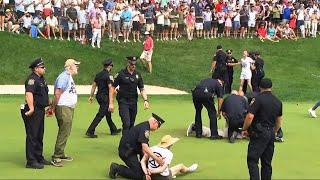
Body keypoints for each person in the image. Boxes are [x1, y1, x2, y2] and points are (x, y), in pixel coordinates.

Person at [241, 78, 282, 180]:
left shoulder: (257, 99)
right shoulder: (278, 101)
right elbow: (279, 120)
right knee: (267, 163)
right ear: (271, 88)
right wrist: (275, 131)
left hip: (259, 132)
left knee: (252, 160)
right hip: (271, 132)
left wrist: (244, 128)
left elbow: (250, 116)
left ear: (260, 87)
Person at [108, 113, 165, 179]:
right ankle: (117, 168)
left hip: (132, 149)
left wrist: (146, 165)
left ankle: (140, 170)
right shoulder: (145, 129)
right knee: (139, 175)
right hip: (126, 152)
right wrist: (157, 159)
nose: (157, 128)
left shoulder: (145, 126)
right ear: (154, 122)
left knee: (143, 171)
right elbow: (145, 147)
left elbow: (144, 149)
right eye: (158, 126)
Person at [21, 58, 51, 169]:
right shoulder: (32, 80)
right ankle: (31, 161)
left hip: (40, 110)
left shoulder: (41, 79)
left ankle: (38, 157)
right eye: (42, 67)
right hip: (33, 111)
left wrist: (47, 106)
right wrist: (32, 108)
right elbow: (29, 94)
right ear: (36, 68)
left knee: (39, 135)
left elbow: (42, 95)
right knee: (32, 135)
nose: (44, 68)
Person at [51, 59, 80, 167]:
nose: (77, 67)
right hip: (63, 107)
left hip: (68, 107)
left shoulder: (68, 76)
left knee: (66, 130)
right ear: (69, 67)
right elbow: (58, 93)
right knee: (64, 131)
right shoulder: (64, 77)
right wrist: (53, 107)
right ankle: (56, 156)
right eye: (75, 65)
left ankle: (60, 153)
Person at [109, 56, 149, 135]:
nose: (133, 66)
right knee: (126, 123)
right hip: (123, 101)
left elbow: (141, 88)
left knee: (131, 124)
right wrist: (111, 102)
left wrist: (145, 100)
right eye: (131, 64)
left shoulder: (137, 75)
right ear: (128, 63)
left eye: (134, 64)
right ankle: (124, 144)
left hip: (133, 102)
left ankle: (130, 143)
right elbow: (112, 87)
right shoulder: (121, 74)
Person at [86, 59, 121, 138]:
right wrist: (114, 96)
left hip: (99, 96)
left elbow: (94, 85)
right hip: (105, 97)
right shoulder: (108, 76)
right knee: (100, 114)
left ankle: (113, 129)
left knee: (107, 114)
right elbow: (110, 88)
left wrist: (91, 96)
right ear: (110, 66)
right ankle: (90, 131)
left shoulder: (98, 74)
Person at [192, 73, 224, 139]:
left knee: (198, 112)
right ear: (221, 81)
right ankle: (214, 134)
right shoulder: (219, 84)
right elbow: (220, 99)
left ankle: (198, 133)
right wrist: (219, 111)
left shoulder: (208, 80)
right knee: (212, 113)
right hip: (205, 93)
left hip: (195, 93)